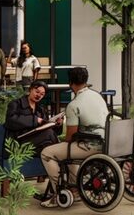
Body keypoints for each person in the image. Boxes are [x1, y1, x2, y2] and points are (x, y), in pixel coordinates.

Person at [38, 66, 108, 205]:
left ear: (70, 83)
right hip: (106, 142)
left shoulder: (73, 105)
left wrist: (61, 139)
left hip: (89, 145)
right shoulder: (98, 96)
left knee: (48, 153)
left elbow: (71, 136)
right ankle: (75, 188)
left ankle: (58, 193)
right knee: (68, 151)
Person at [6, 81, 59, 156]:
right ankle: (63, 160)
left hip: (35, 141)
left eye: (42, 94)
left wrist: (57, 124)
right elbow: (10, 121)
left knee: (48, 144)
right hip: (18, 142)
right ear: (30, 90)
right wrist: (35, 120)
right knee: (49, 134)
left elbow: (46, 127)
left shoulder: (40, 109)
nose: (39, 95)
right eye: (37, 92)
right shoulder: (16, 104)